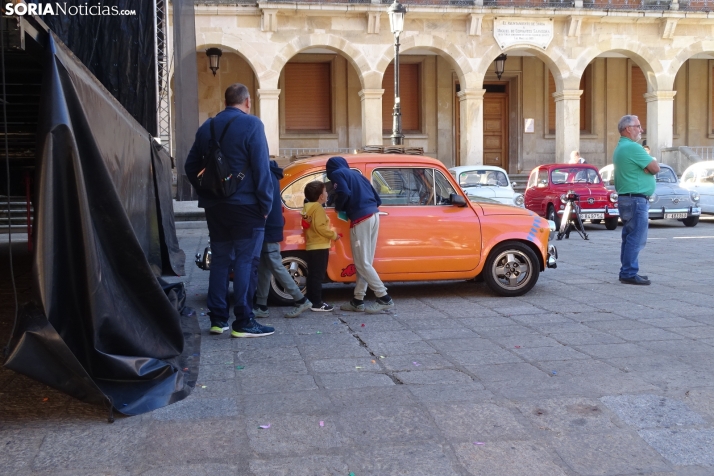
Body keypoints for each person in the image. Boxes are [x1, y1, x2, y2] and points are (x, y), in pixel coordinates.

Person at [185, 83, 275, 337]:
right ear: (247, 102)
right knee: (247, 260)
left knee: (221, 260)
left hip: (215, 207)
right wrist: (266, 205)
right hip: (246, 205)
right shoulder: (252, 125)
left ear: (226, 101)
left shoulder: (207, 127)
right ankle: (244, 320)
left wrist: (208, 191)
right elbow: (261, 168)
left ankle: (217, 319)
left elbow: (190, 166)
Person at [325, 156, 395, 313]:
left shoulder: (337, 173)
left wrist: (339, 207)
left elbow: (342, 192)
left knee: (362, 263)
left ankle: (384, 297)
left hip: (360, 219)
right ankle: (358, 299)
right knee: (366, 262)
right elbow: (377, 199)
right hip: (374, 215)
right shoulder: (357, 175)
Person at [253, 160, 312, 319]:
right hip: (272, 223)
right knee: (265, 266)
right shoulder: (271, 174)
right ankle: (261, 305)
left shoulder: (264, 174)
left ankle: (301, 299)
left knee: (274, 262)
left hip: (268, 224)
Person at [613, 114, 660, 285]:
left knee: (629, 236)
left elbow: (650, 169)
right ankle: (629, 273)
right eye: (638, 126)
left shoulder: (621, 147)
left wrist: (646, 168)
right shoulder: (633, 148)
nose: (641, 130)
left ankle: (626, 270)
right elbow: (655, 168)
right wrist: (648, 168)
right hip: (636, 200)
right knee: (636, 238)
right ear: (628, 129)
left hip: (627, 199)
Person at [286, 181, 341, 317]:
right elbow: (320, 227)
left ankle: (311, 299)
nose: (327, 193)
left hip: (311, 245)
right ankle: (317, 303)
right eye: (325, 191)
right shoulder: (318, 209)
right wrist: (334, 235)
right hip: (320, 245)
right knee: (318, 275)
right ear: (321, 196)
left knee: (313, 274)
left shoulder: (308, 208)